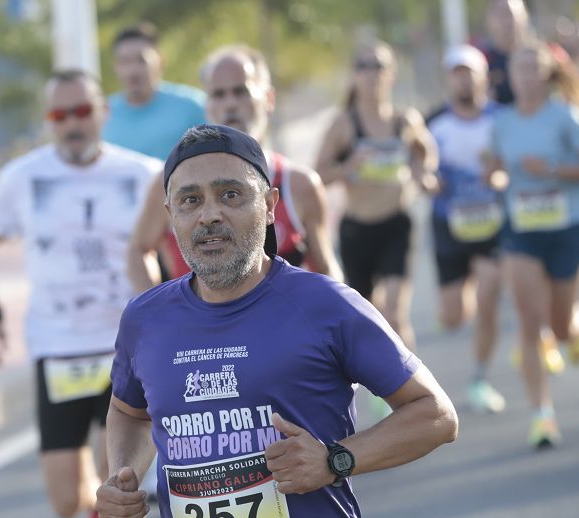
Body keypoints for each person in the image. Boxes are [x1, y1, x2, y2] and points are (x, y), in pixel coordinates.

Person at [95, 124, 458, 518]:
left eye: (230, 195)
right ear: (171, 217)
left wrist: (335, 459)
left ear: (269, 207)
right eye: (190, 200)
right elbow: (128, 411)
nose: (209, 215)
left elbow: (434, 415)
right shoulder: (146, 320)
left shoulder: (326, 306)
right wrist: (122, 473)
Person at [0, 69, 162, 518]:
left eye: (80, 111)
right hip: (56, 351)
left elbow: (174, 245)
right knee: (64, 500)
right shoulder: (22, 178)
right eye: (59, 116)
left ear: (101, 110)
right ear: (47, 121)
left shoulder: (141, 174)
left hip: (125, 352)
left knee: (121, 488)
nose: (72, 124)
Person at [128, 45, 343, 292]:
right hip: (200, 328)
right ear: (207, 104)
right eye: (218, 94)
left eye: (241, 92)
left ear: (268, 99)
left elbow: (326, 269)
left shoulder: (299, 184)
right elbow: (138, 250)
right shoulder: (170, 183)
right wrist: (157, 315)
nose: (230, 104)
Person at [484, 42, 579, 449]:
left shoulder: (564, 116)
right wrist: (494, 178)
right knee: (528, 321)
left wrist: (551, 169)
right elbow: (495, 169)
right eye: (521, 68)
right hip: (523, 229)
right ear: (511, 76)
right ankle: (542, 415)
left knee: (561, 325)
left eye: (535, 68)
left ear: (548, 74)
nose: (528, 75)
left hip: (566, 227)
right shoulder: (502, 122)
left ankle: (576, 327)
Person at [314, 40, 438, 351]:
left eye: (379, 66)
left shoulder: (404, 121)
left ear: (391, 75)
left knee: (395, 313)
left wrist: (422, 174)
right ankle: (380, 389)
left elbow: (426, 153)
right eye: (364, 67)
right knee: (366, 319)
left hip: (396, 223)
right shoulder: (344, 124)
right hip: (358, 229)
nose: (372, 74)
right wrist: (348, 167)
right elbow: (318, 175)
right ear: (355, 76)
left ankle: (407, 393)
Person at [425, 45, 507, 414]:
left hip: (493, 222)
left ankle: (479, 377)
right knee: (453, 316)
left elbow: (511, 164)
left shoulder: (500, 119)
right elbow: (419, 167)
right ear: (448, 79)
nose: (463, 79)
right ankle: (467, 288)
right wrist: (429, 180)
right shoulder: (434, 123)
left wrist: (501, 176)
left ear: (483, 77)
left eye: (470, 72)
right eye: (457, 72)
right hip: (449, 224)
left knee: (490, 295)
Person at [103, 24, 207, 160]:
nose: (133, 70)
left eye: (141, 60)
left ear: (160, 61)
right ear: (116, 67)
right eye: (125, 61)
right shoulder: (101, 113)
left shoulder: (193, 106)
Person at [479, 0, 534, 104]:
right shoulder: (481, 62)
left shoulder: (545, 57)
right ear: (488, 20)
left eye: (511, 14)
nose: (507, 21)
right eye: (500, 14)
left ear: (525, 17)